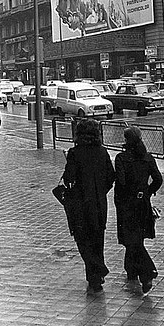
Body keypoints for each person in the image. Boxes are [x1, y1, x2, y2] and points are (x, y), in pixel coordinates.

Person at [62, 119, 115, 293]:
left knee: (83, 240)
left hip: (80, 203)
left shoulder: (74, 153)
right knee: (97, 240)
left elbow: (69, 178)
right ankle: (95, 278)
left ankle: (97, 271)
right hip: (99, 203)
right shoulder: (102, 152)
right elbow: (110, 177)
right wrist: (100, 191)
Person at [114, 126, 163, 295]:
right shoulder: (147, 158)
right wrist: (147, 192)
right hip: (142, 203)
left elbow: (120, 183)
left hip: (127, 204)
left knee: (131, 239)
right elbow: (158, 179)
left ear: (126, 140)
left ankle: (147, 271)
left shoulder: (121, 158)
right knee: (136, 238)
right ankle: (131, 270)